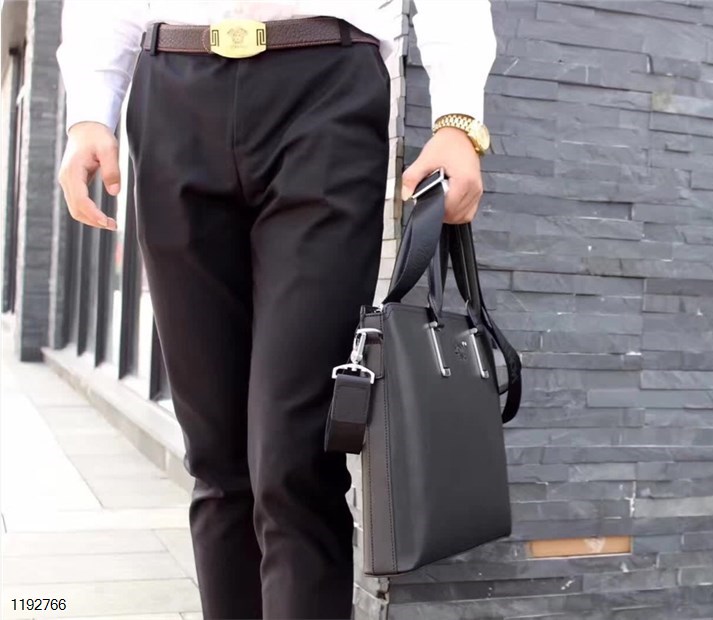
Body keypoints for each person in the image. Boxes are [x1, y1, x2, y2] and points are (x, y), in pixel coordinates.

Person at [56, 2, 497, 618]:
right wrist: (88, 110)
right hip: (173, 87)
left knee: (295, 459)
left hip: (326, 85)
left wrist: (458, 117)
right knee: (216, 459)